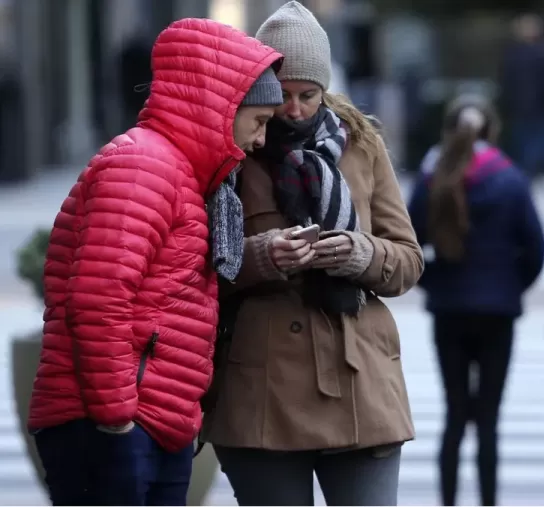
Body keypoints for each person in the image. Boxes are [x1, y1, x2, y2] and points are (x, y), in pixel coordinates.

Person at [28, 18, 284, 506]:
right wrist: (116, 417)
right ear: (222, 107)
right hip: (112, 425)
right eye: (259, 121)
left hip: (152, 424)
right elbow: (97, 299)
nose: (260, 141)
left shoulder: (183, 175)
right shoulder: (143, 166)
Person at [198, 2, 424, 505]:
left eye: (309, 95)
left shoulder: (361, 146)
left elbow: (408, 259)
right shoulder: (230, 148)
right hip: (263, 392)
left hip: (359, 382)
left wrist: (361, 254)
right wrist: (259, 256)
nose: (295, 109)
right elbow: (191, 270)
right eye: (281, 96)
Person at [407, 95, 544, 506]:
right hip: (497, 312)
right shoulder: (510, 178)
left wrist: (433, 282)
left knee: (454, 416)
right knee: (487, 419)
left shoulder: (433, 177)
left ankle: (448, 499)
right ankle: (488, 500)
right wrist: (510, 285)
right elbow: (536, 248)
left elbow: (410, 241)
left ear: (449, 131)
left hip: (449, 308)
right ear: (492, 131)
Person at [499, 13, 544, 178]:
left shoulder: (540, 52)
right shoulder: (541, 52)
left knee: (532, 137)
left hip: (531, 105)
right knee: (528, 137)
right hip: (527, 105)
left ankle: (534, 167)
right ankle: (534, 167)